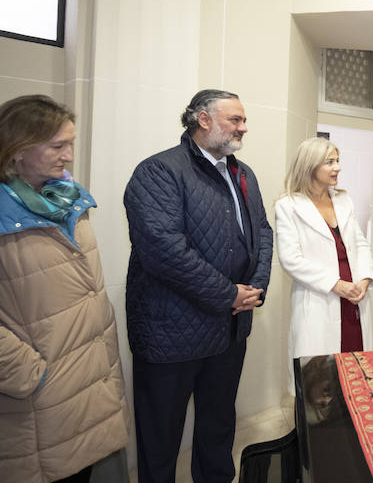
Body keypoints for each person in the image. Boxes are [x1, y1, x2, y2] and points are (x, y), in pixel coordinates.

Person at [124, 89, 273, 482]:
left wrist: (255, 287)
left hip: (229, 331)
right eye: (235, 120)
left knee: (219, 429)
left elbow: (262, 233)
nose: (244, 127)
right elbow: (163, 250)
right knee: (160, 442)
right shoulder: (159, 171)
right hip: (171, 334)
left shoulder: (243, 174)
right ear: (202, 120)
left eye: (243, 120)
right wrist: (228, 294)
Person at [0, 95, 129, 482]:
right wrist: (25, 372)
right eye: (57, 146)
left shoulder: (68, 197)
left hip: (88, 378)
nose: (69, 156)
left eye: (70, 143)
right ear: (18, 149)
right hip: (37, 393)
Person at [274, 137, 373, 357]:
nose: (337, 167)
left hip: (355, 296)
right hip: (321, 297)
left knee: (359, 366)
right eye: (329, 162)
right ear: (310, 166)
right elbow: (291, 259)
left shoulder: (343, 200)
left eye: (337, 161)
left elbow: (359, 243)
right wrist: (336, 285)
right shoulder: (288, 206)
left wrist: (366, 279)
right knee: (323, 378)